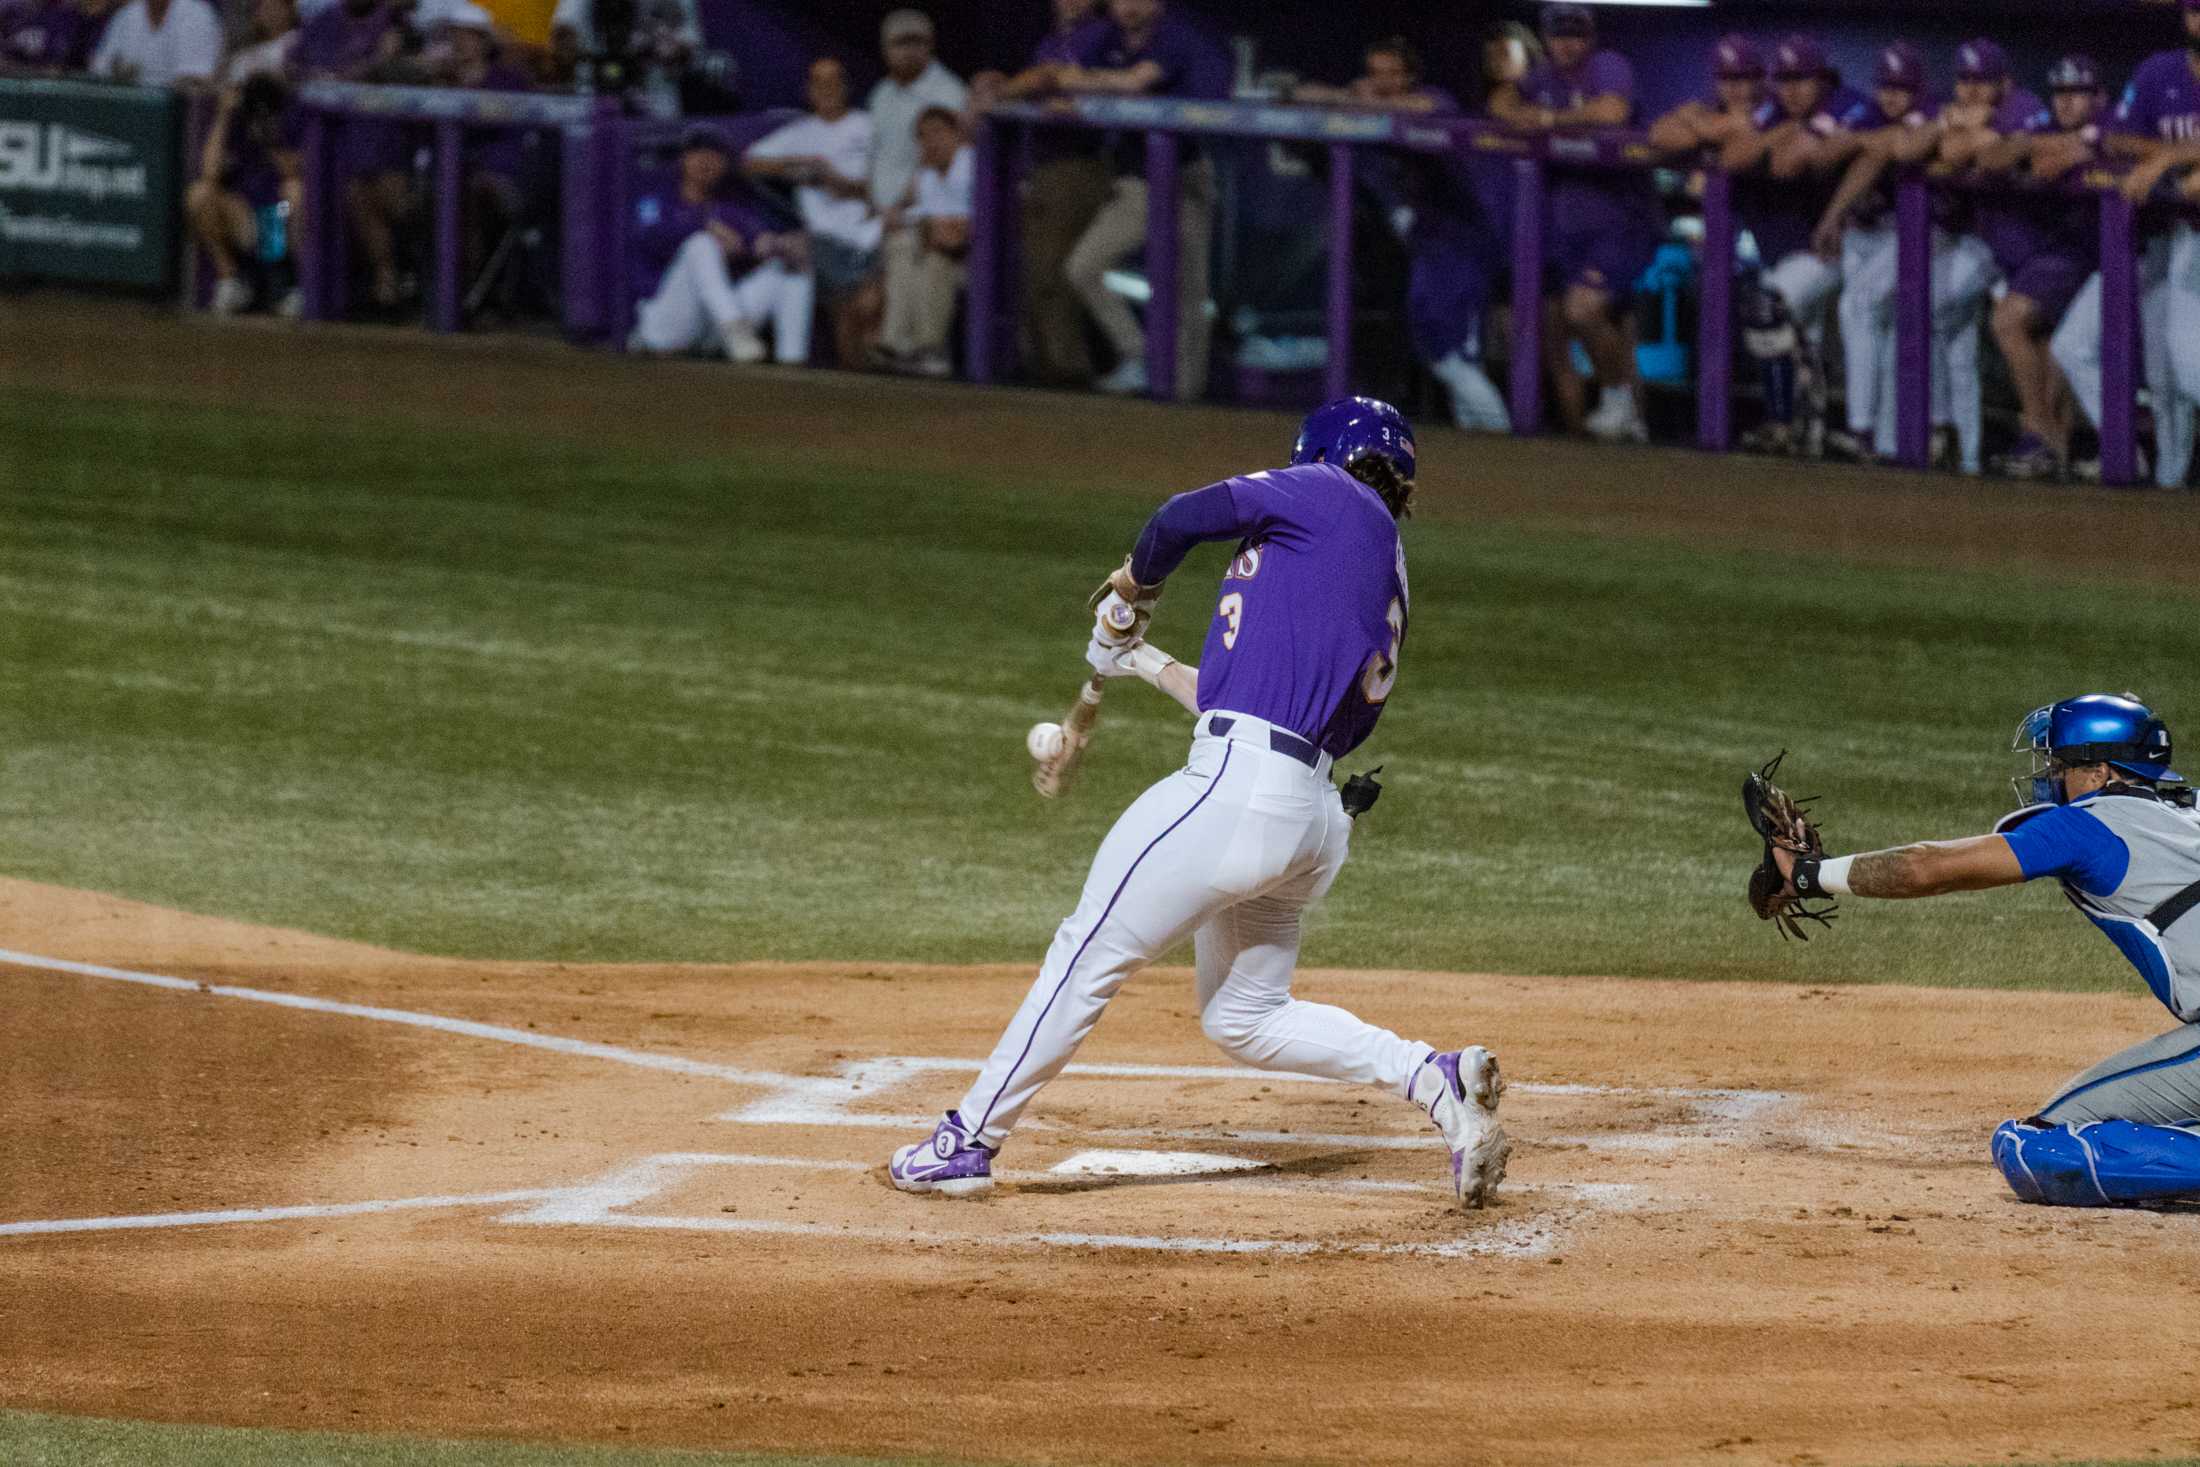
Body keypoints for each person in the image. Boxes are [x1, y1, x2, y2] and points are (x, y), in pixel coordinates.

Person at [886, 398, 1511, 1211]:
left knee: (1086, 952)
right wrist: (1136, 655)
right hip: (1309, 818)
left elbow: (1178, 517)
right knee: (1245, 1016)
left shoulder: (1319, 492)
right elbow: (1234, 693)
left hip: (1239, 793)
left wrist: (1133, 589)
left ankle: (968, 1139)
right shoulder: (1375, 555)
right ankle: (1433, 1076)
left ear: (1318, 453)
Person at [1759, 694, 2200, 1208]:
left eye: (2060, 765)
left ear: (2099, 773)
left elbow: (1922, 868)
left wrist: (1805, 875)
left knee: (2041, 1145)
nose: (2051, 776)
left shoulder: (2087, 825)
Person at [1295, 37, 1507, 432]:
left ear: (1410, 76)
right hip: (1427, 244)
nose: (1384, 82)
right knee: (1436, 345)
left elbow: (1426, 108)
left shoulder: (1432, 100)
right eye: (1376, 73)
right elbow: (1299, 95)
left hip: (1465, 244)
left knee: (1454, 351)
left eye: (1393, 73)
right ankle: (1486, 444)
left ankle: (1508, 441)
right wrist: (1347, 96)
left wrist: (1360, 101)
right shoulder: (1363, 108)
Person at [1486, 3, 1661, 443]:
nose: (1568, 44)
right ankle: (1632, 419)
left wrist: (1547, 120)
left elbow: (1613, 111)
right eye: (1560, 35)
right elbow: (1500, 99)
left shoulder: (1607, 65)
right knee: (1610, 324)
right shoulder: (1543, 76)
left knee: (1583, 309)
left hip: (1624, 219)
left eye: (1576, 35)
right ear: (1546, 39)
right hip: (1571, 229)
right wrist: (1517, 112)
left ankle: (1619, 399)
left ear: (1590, 38)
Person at [1057, 0, 1228, 400]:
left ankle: (1184, 398)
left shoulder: (1175, 36)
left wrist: (1081, 84)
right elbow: (1059, 71)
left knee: (1187, 289)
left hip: (1185, 174)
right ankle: (1137, 356)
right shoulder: (1105, 38)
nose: (1129, 6)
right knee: (1083, 267)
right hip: (1136, 179)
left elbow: (1135, 82)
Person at [1709, 35, 1870, 457]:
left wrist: (1781, 140)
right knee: (1796, 332)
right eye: (1785, 79)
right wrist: (1781, 132)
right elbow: (1732, 158)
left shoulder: (1849, 103)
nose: (1793, 89)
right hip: (1803, 244)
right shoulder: (1778, 111)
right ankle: (1799, 428)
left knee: (1770, 308)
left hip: (1854, 241)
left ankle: (1791, 421)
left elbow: (1790, 162)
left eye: (1803, 78)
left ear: (1823, 79)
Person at [1805, 41, 1952, 466]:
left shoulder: (1932, 108)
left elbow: (1900, 149)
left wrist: (1865, 142)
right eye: (1886, 86)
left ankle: (1867, 428)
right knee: (1877, 327)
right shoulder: (1870, 111)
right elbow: (1824, 154)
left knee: (1861, 308)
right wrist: (1871, 139)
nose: (1891, 95)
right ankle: (1883, 439)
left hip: (1929, 233)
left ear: (1918, 88)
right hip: (1871, 234)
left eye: (1901, 87)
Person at [1972, 56, 2106, 479]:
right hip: (2063, 254)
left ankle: (2042, 429)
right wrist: (2031, 146)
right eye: (2061, 93)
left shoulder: (2111, 127)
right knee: (2050, 344)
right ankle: (2051, 446)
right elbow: (1993, 157)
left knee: (2009, 321)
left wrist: (2039, 151)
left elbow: (2049, 167)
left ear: (2097, 97)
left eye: (2078, 93)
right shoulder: (2045, 126)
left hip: (2107, 259)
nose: (2067, 103)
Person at [972, 0, 1112, 387]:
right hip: (1043, 163)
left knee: (1055, 270)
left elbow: (1050, 77)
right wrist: (1004, 87)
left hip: (1078, 163)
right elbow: (1038, 79)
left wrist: (1002, 92)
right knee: (1035, 269)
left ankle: (1068, 368)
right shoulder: (1052, 39)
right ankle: (1043, 363)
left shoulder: (1100, 34)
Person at [2099, 0, 2200, 489]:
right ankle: (2169, 484)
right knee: (2175, 377)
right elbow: (2118, 141)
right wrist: (2173, 157)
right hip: (2181, 239)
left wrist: (2165, 161)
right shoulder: (2159, 71)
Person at [629, 122, 813, 365]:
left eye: (714, 154)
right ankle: (735, 329)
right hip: (667, 322)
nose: (705, 160)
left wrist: (776, 245)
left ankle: (793, 363)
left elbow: (757, 240)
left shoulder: (732, 207)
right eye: (697, 152)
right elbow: (652, 238)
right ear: (683, 159)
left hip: (713, 328)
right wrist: (703, 225)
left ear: (726, 164)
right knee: (701, 245)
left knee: (789, 270)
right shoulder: (657, 200)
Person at [744, 56, 881, 368]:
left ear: (846, 87)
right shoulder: (800, 132)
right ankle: (856, 386)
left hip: (870, 231)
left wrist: (844, 185)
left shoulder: (868, 125)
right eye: (819, 83)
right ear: (809, 90)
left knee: (870, 305)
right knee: (847, 309)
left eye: (833, 82)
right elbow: (749, 161)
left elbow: (891, 185)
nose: (826, 89)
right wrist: (801, 166)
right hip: (823, 239)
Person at [290, 0, 415, 309]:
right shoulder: (324, 21)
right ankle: (300, 286)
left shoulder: (395, 23)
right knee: (292, 201)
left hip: (385, 155)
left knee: (362, 192)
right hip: (321, 150)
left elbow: (392, 67)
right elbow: (291, 66)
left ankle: (390, 278)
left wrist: (340, 77)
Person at [186, 72, 303, 316]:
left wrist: (270, 139)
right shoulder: (234, 123)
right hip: (242, 216)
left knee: (292, 193)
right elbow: (209, 171)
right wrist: (224, 115)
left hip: (277, 218)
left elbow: (294, 171)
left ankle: (286, 287)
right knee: (199, 194)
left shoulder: (289, 119)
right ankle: (231, 281)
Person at [877, 106, 970, 377]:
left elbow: (985, 221)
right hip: (938, 251)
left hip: (976, 258)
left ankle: (931, 349)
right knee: (903, 246)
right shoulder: (925, 173)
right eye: (923, 136)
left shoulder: (971, 163)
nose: (931, 141)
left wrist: (950, 230)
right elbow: (899, 214)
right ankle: (896, 345)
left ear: (956, 134)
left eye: (938, 132)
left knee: (932, 260)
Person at [864, 9, 966, 218]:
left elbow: (938, 163)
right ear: (885, 48)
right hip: (879, 214)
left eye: (918, 41)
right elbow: (873, 154)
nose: (910, 50)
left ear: (931, 45)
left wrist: (898, 208)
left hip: (926, 215)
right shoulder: (881, 94)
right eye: (901, 42)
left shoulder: (949, 93)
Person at [86, 0, 218, 85]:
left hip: (177, 115)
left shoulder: (196, 14)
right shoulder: (127, 14)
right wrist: (118, 71)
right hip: (129, 107)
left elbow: (195, 81)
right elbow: (100, 69)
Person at [0, 0, 99, 72]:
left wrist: (13, 68)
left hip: (50, 89)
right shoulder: (11, 12)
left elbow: (55, 69)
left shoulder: (68, 17)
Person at [217, 0, 295, 84]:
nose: (271, 13)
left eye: (276, 7)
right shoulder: (243, 58)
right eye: (265, 8)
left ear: (289, 9)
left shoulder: (296, 41)